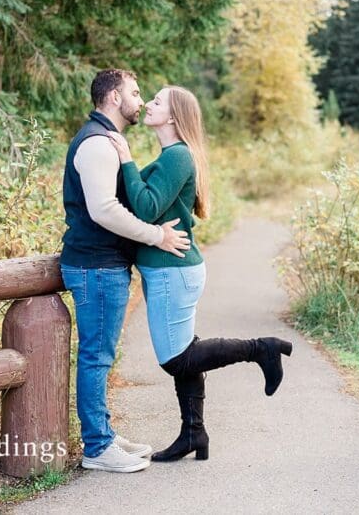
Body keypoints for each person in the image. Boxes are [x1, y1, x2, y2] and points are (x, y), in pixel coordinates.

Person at [107, 85, 293, 462]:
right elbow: (136, 195)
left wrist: (125, 157)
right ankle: (194, 433)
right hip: (173, 271)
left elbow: (145, 206)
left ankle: (262, 349)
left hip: (172, 273)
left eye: (157, 101)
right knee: (186, 350)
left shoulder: (177, 157)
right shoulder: (170, 156)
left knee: (177, 359)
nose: (148, 104)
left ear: (174, 117)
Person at [60, 69, 192, 473]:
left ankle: (104, 434)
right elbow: (104, 210)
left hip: (102, 265)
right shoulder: (97, 144)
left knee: (101, 355)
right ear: (115, 97)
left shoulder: (107, 141)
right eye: (135, 93)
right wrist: (155, 236)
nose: (140, 101)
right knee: (97, 357)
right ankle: (98, 448)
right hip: (95, 266)